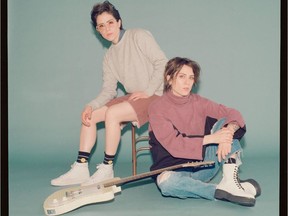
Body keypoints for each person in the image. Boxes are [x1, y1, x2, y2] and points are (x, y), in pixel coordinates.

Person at [51, 1, 167, 186]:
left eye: (110, 22)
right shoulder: (109, 56)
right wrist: (91, 105)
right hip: (135, 97)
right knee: (91, 116)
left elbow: (162, 63)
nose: (107, 28)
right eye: (101, 26)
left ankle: (107, 168)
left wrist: (148, 91)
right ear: (98, 30)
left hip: (157, 95)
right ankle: (81, 168)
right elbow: (109, 90)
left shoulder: (138, 35)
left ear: (119, 22)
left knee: (113, 114)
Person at [148, 57, 261, 206]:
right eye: (181, 76)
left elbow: (233, 113)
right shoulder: (157, 108)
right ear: (169, 78)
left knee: (226, 123)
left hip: (205, 165)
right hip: (174, 170)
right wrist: (213, 138)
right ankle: (221, 190)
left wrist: (228, 131)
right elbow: (174, 144)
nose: (187, 82)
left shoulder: (199, 102)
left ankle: (229, 179)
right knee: (166, 184)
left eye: (191, 78)